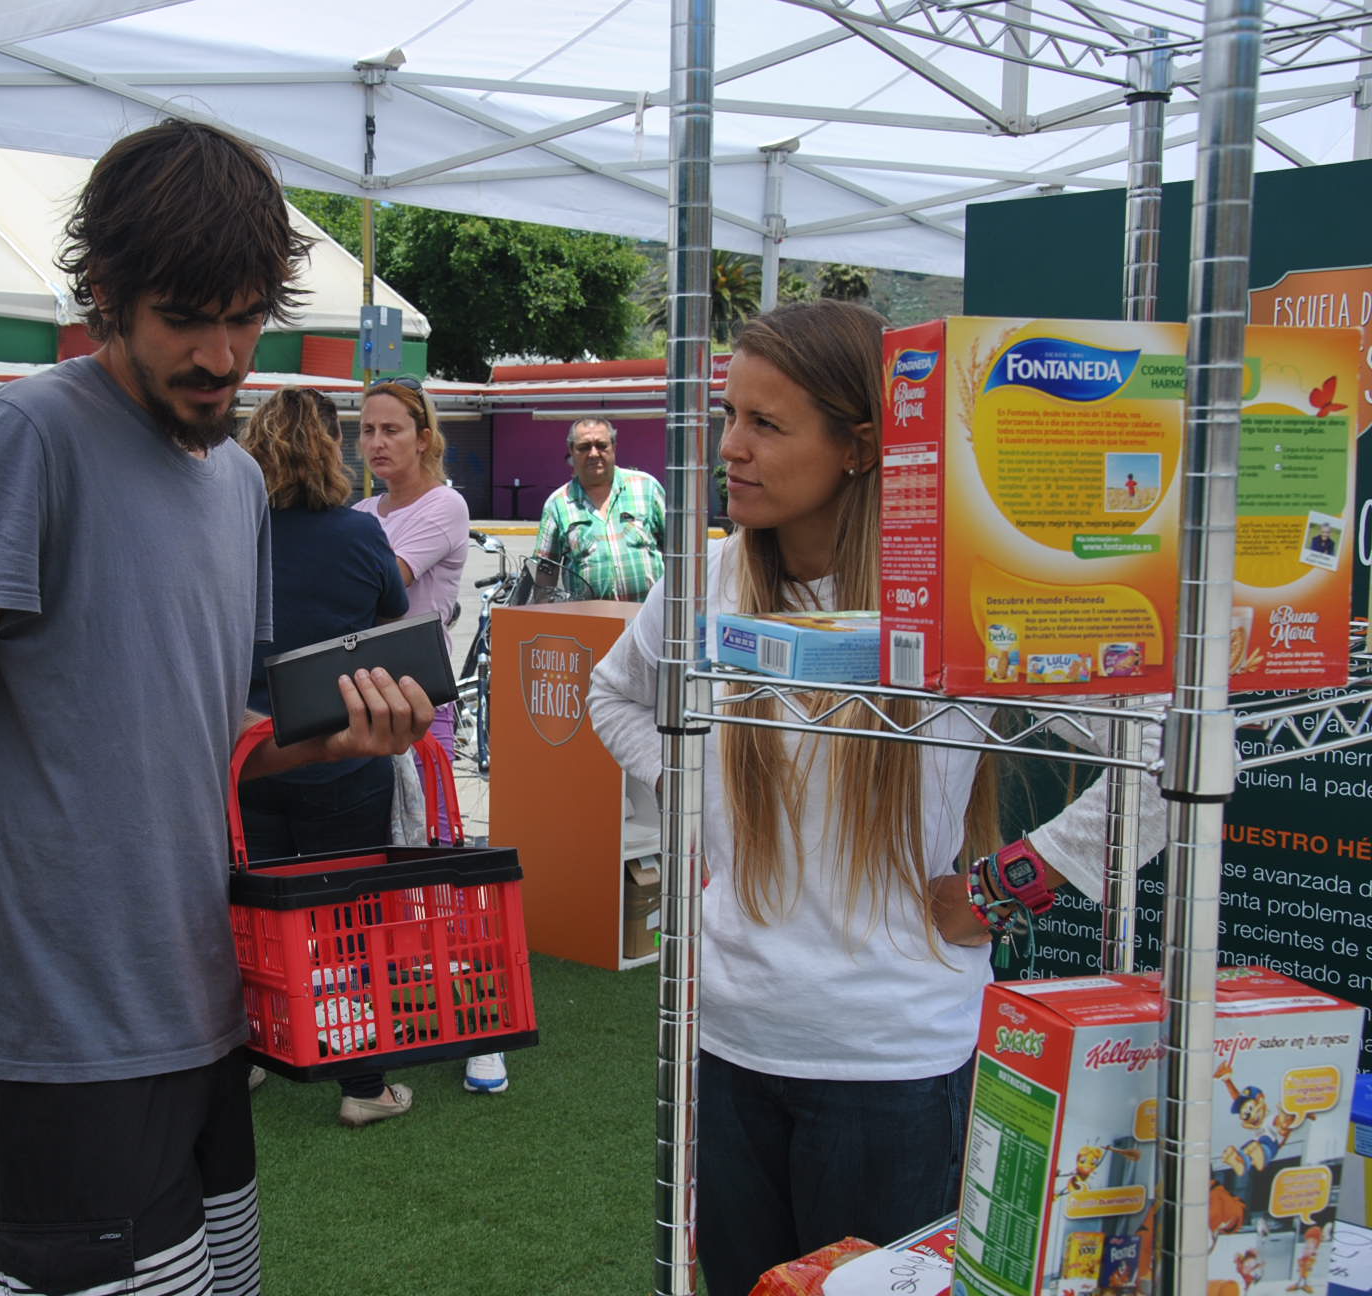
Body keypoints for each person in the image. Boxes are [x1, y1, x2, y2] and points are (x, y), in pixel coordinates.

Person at [0, 119, 432, 1296]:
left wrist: (327, 738)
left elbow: (198, 746)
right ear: (106, 296)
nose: (221, 356)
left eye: (244, 317)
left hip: (200, 1012)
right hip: (56, 1042)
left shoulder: (235, 483)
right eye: (184, 318)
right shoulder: (25, 439)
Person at [585, 300, 1168, 1296]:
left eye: (767, 424)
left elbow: (1165, 755)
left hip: (894, 1065)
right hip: (724, 1039)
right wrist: (709, 803)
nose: (730, 449)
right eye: (730, 416)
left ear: (860, 446)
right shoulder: (707, 579)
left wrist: (1006, 887)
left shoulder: (961, 596)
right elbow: (614, 695)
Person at [237, 386, 412, 1128]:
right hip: (343, 756)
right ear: (329, 449)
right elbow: (392, 614)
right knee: (350, 920)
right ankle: (362, 1082)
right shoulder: (359, 533)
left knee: (250, 916)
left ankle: (249, 1054)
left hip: (246, 755)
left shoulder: (231, 532)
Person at [352, 375, 510, 1097]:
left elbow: (380, 583)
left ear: (424, 437)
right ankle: (388, 1010)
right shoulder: (361, 513)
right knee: (378, 867)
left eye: (391, 429)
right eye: (367, 430)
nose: (376, 442)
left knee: (439, 869)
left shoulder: (444, 505)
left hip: (420, 711)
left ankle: (485, 1033)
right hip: (361, 713)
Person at [531, 417, 666, 602]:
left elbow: (678, 549)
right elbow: (546, 570)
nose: (594, 454)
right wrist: (541, 610)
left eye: (601, 445)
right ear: (571, 451)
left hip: (649, 614)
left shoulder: (647, 487)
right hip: (588, 618)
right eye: (584, 447)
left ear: (614, 447)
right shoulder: (557, 504)